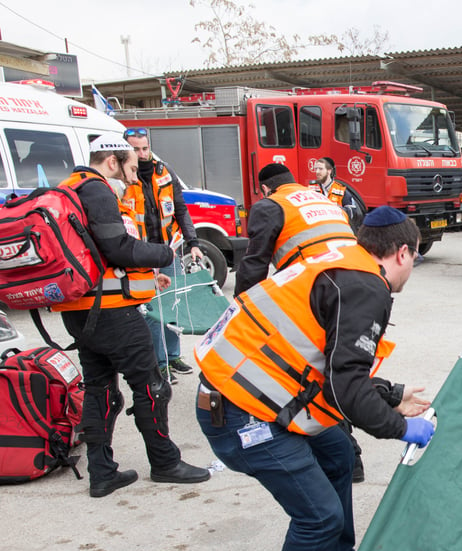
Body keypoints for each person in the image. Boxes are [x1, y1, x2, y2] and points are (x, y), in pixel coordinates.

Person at [194, 206, 433, 551]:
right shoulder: (367, 286)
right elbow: (346, 390)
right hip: (239, 412)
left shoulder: (341, 260)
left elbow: (326, 366)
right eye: (415, 260)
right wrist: (402, 427)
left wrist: (392, 392)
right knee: (319, 514)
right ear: (403, 252)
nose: (411, 270)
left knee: (338, 454)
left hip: (248, 393)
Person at [52, 133, 211, 497]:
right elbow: (118, 246)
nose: (133, 175)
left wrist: (143, 274)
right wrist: (162, 255)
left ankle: (102, 472)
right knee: (152, 386)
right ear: (112, 161)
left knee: (100, 390)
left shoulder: (69, 188)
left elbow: (98, 253)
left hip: (82, 311)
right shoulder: (97, 190)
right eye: (130, 166)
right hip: (111, 313)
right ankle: (165, 462)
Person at [121, 127, 204, 386]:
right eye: (135, 149)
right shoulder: (123, 178)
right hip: (141, 253)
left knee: (173, 305)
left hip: (168, 249)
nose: (142, 154)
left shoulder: (163, 171)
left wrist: (193, 242)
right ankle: (159, 363)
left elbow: (180, 209)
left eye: (145, 148)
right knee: (151, 310)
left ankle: (174, 356)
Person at [234, 164, 356, 296]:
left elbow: (255, 265)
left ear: (265, 189)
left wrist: (241, 303)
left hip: (322, 283)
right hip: (361, 270)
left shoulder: (271, 205)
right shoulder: (323, 199)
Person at [312, 156, 365, 229]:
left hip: (337, 229)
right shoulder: (311, 189)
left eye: (320, 169)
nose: (317, 172)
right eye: (316, 169)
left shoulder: (341, 190)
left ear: (329, 171)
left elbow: (353, 213)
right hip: (318, 230)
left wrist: (335, 209)